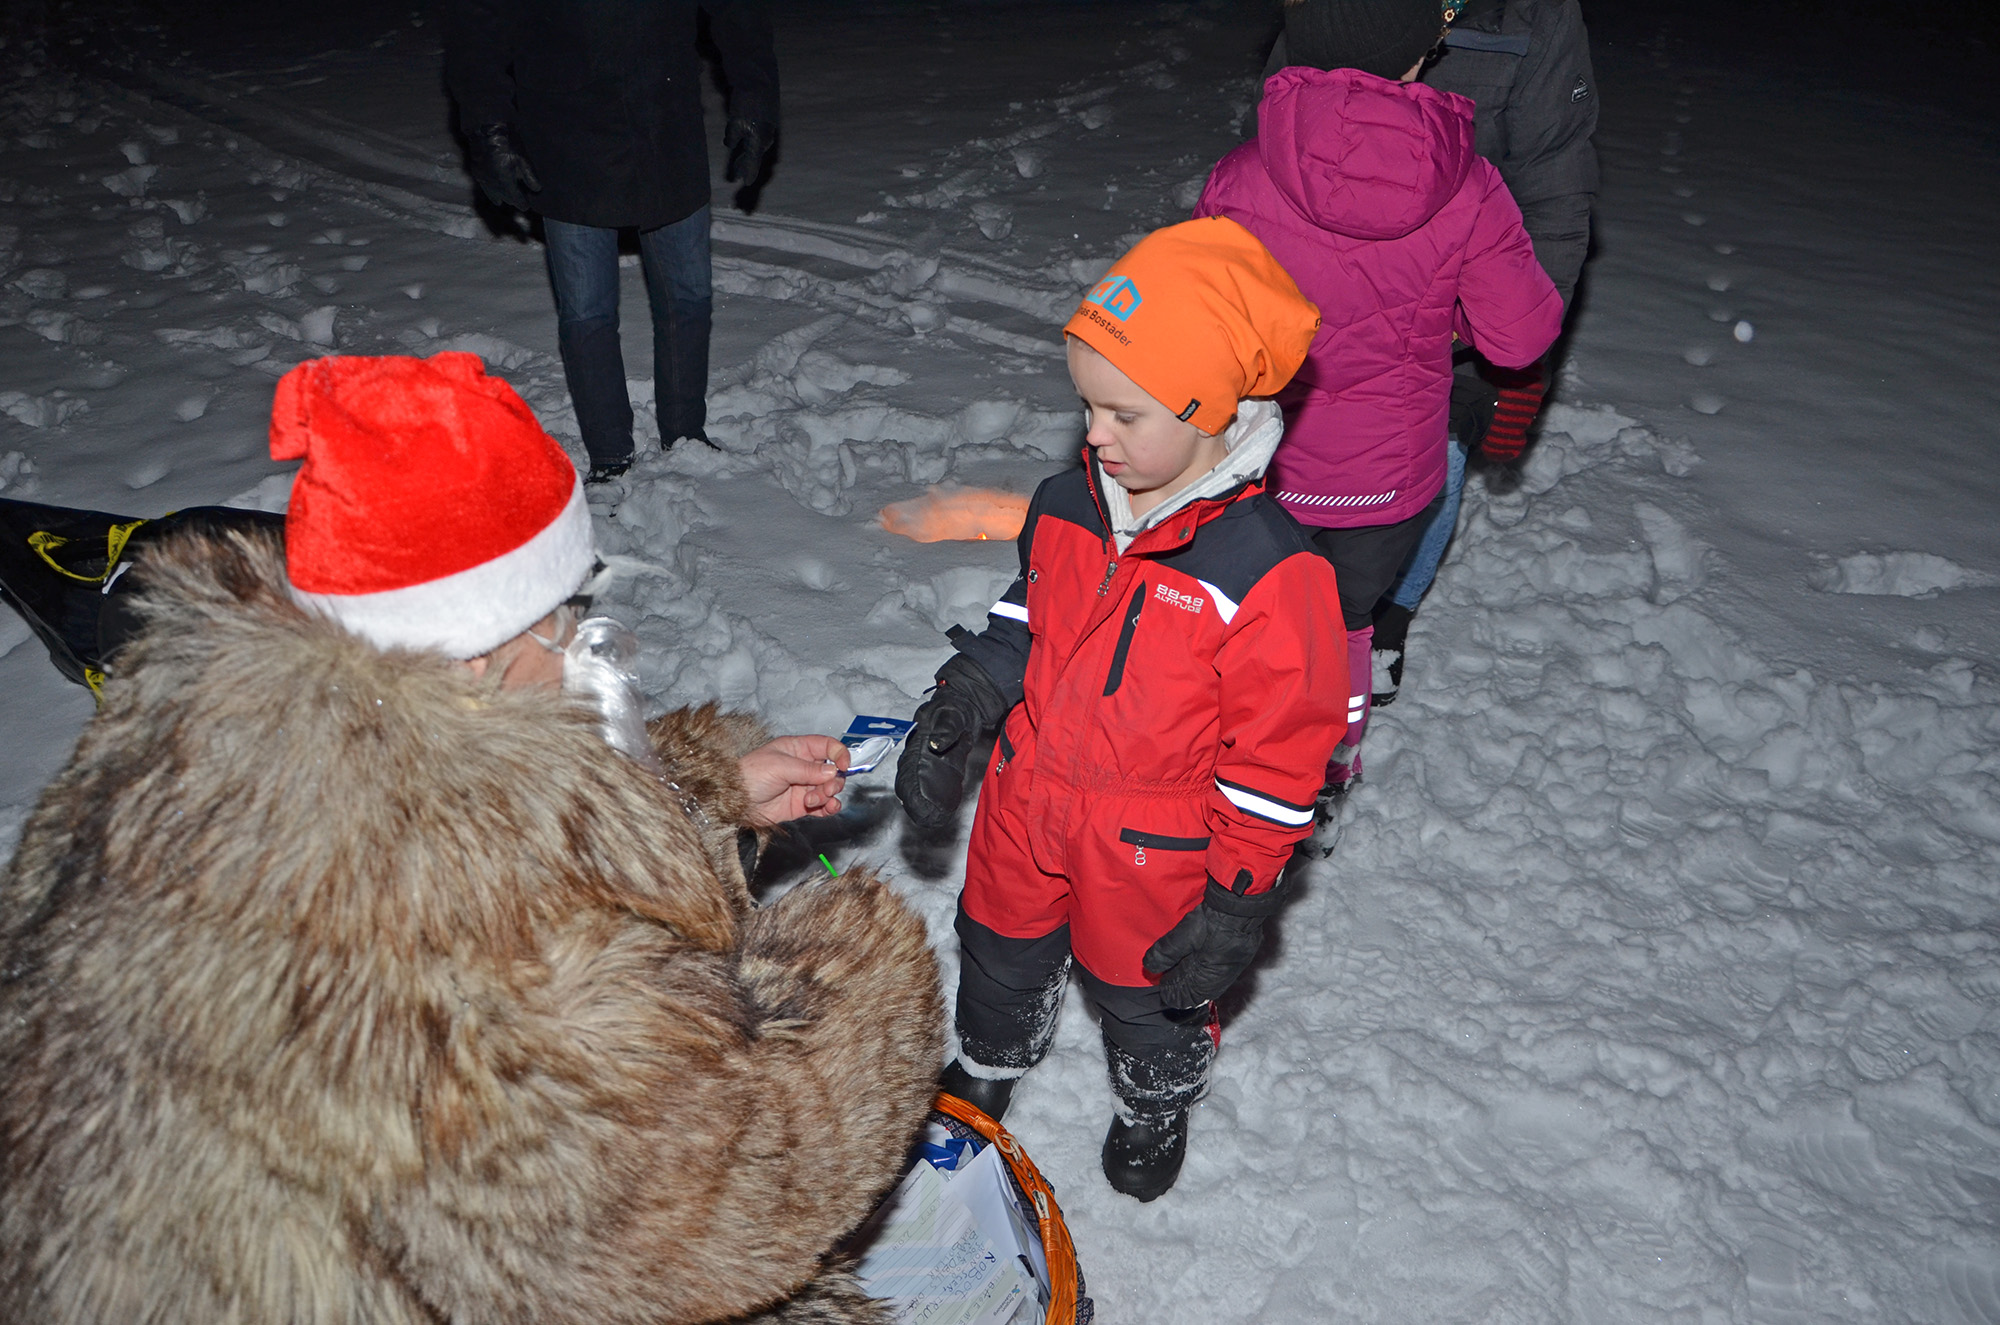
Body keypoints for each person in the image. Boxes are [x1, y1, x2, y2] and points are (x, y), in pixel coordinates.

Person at [0, 353, 941, 1325]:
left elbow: (514, 825)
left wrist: (705, 784)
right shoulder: (463, 971)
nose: (582, 638)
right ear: (481, 653)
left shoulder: (192, 757)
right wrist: (862, 967)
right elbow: (708, 1207)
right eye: (562, 620)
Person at [895, 219, 1344, 1202]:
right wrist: (966, 693)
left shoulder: (1268, 572)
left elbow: (1277, 761)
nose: (1092, 434)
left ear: (1207, 407)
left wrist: (1235, 898)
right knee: (997, 949)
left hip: (1156, 840)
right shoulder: (1067, 501)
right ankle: (988, 1060)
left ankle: (1153, 1099)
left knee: (1151, 994)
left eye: (1121, 413)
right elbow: (1027, 617)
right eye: (1086, 407)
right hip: (1025, 799)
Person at [1194, 0, 1563, 799]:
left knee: (1246, 625)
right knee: (1345, 627)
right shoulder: (1470, 187)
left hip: (1263, 475)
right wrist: (1448, 313)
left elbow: (1197, 327)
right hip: (1386, 488)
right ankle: (1318, 777)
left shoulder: (1243, 175)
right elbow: (1521, 338)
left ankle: (1225, 768)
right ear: (1426, 47)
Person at [1367, 0, 1599, 705]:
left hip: (1462, 306)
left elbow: (1555, 188)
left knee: (1435, 461)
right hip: (1344, 288)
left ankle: (1389, 619)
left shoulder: (1535, 18)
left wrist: (1521, 343)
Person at [444, 1, 779, 482]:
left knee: (688, 297)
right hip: (567, 133)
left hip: (667, 124)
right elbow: (477, 25)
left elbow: (737, 11)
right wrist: (488, 130)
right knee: (587, 313)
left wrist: (756, 97)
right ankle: (609, 458)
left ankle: (685, 437)